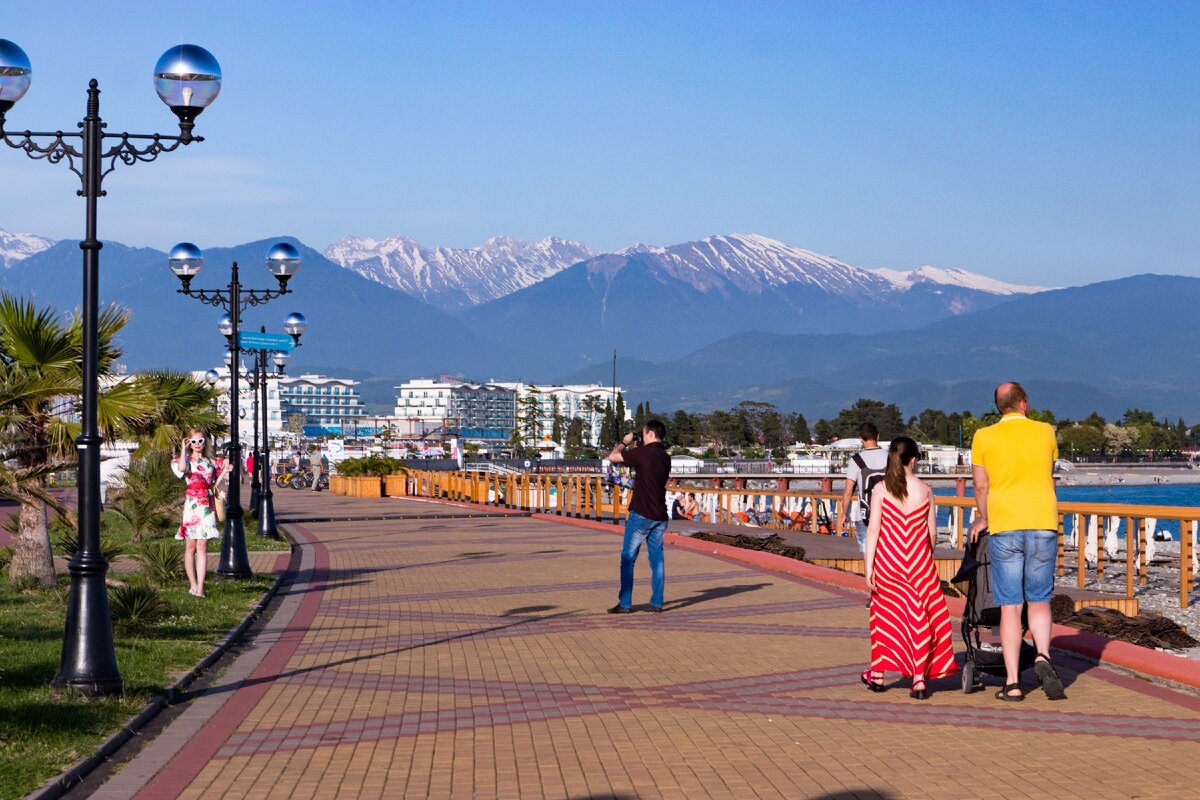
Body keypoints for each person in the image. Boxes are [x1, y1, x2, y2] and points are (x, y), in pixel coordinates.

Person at [970, 382, 1067, 702]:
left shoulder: (983, 437)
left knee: (1010, 606)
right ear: (1024, 403)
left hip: (1004, 525)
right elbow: (1049, 476)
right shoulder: (1046, 432)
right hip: (1042, 522)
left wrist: (984, 518)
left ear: (999, 406)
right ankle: (1042, 655)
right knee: (1039, 599)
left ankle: (1012, 684)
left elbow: (981, 487)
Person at [862, 437, 957, 699]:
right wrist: (922, 554)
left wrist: (868, 568)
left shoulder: (881, 489)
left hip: (888, 561)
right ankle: (918, 679)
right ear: (913, 460)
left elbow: (873, 532)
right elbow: (932, 535)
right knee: (921, 617)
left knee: (885, 618)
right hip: (919, 564)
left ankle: (879, 675)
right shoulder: (926, 490)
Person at [606, 419, 672, 613]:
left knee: (628, 557)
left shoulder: (644, 452)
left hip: (642, 512)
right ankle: (656, 602)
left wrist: (625, 442)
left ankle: (625, 603)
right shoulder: (665, 456)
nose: (641, 437)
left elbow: (613, 457)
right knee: (657, 559)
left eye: (643, 434)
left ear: (650, 434)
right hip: (660, 514)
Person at [171, 429, 230, 598]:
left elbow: (214, 483)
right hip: (192, 504)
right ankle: (193, 584)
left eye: (200, 441)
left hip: (207, 503)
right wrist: (183, 448)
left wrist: (225, 470)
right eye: (194, 441)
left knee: (202, 545)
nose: (197, 445)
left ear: (205, 442)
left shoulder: (210, 461)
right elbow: (182, 469)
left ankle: (201, 587)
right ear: (189, 442)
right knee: (190, 546)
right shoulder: (186, 460)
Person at [837, 422, 888, 553]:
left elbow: (848, 491)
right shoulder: (890, 457)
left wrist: (844, 514)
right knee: (887, 552)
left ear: (861, 438)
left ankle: (869, 574)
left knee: (867, 552)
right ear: (878, 436)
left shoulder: (856, 460)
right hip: (888, 513)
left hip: (865, 515)